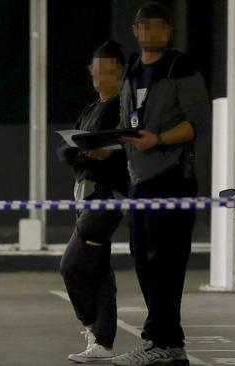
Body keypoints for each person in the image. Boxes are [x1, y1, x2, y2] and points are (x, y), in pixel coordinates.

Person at [109, 2, 211, 365]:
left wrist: (159, 140)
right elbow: (126, 121)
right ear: (135, 31)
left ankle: (159, 342)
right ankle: (168, 344)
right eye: (143, 26)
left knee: (165, 263)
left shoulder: (180, 67)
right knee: (145, 263)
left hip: (172, 179)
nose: (150, 31)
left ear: (167, 32)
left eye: (158, 26)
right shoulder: (132, 72)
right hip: (141, 182)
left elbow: (198, 123)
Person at [57, 40, 130, 364]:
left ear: (119, 73)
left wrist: (93, 156)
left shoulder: (121, 110)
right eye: (95, 70)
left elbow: (122, 152)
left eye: (106, 71)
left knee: (72, 265)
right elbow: (66, 151)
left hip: (106, 197)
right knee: (99, 272)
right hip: (84, 196)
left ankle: (90, 326)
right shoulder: (90, 109)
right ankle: (103, 343)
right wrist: (85, 155)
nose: (98, 77)